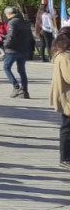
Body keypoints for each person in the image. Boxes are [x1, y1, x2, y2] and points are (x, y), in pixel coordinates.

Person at [48, 28, 70, 169]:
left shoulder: (60, 54)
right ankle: (65, 158)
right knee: (67, 128)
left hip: (65, 94)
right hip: (67, 95)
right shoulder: (65, 56)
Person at [2, 6, 34, 99]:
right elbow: (30, 36)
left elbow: (11, 36)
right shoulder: (25, 22)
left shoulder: (12, 22)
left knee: (6, 67)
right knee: (22, 71)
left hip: (12, 49)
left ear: (8, 14)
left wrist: (5, 44)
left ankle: (16, 86)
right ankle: (25, 91)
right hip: (24, 49)